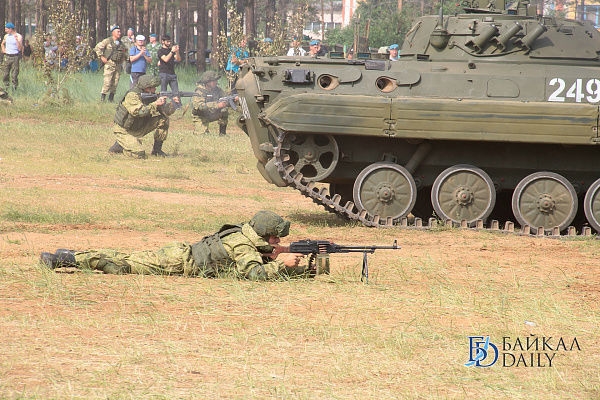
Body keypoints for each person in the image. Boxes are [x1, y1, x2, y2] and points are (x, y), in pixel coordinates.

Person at [39, 210, 310, 280]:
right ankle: (67, 260)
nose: (278, 242)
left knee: (125, 257)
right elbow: (255, 274)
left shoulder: (246, 234)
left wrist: (280, 252)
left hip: (181, 253)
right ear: (264, 234)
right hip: (179, 262)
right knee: (123, 265)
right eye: (276, 238)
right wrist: (281, 266)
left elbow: (256, 251)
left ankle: (70, 254)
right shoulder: (244, 246)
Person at [108, 75, 176, 158]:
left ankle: (157, 150)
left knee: (163, 119)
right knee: (139, 154)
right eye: (153, 87)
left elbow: (166, 112)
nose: (155, 89)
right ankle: (121, 146)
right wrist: (155, 104)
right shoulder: (132, 96)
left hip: (138, 126)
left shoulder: (152, 95)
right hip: (124, 130)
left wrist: (173, 104)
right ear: (147, 88)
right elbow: (139, 112)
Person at [191, 70, 236, 136]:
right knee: (203, 135)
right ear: (207, 82)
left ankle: (222, 133)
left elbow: (226, 98)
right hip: (200, 116)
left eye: (216, 80)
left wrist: (233, 99)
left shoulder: (217, 90)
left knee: (224, 110)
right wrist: (217, 105)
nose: (216, 82)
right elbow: (200, 107)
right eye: (213, 81)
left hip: (211, 114)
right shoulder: (199, 91)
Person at [94, 25, 128, 102]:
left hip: (118, 65)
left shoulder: (121, 44)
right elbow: (97, 48)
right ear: (113, 32)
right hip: (110, 64)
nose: (120, 33)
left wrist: (124, 59)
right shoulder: (107, 41)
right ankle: (103, 99)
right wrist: (101, 57)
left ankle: (111, 99)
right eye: (118, 31)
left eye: (120, 31)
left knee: (115, 83)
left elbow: (125, 53)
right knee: (107, 82)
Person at [1, 22, 23, 91]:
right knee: (5, 74)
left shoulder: (18, 36)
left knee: (14, 74)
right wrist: (4, 50)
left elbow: (19, 48)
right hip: (7, 57)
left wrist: (16, 40)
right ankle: (6, 87)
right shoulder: (6, 36)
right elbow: (2, 44)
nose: (5, 30)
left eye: (7, 29)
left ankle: (14, 89)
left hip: (15, 57)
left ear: (11, 29)